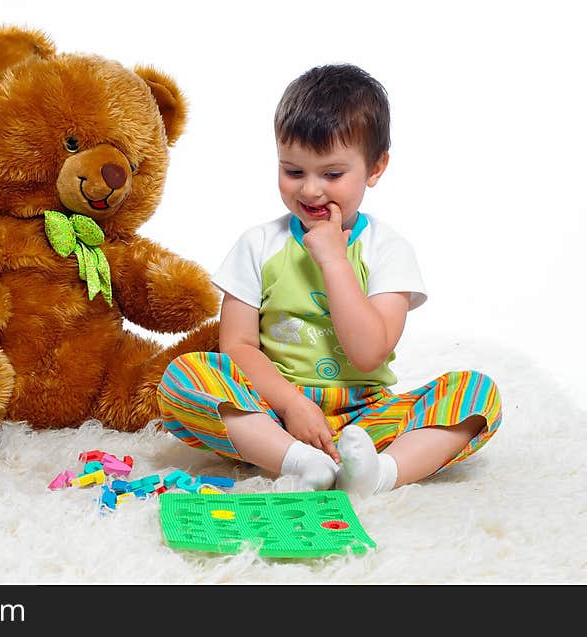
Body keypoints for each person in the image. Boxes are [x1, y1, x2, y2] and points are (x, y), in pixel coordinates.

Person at [157, 64, 502, 496]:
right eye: (294, 171)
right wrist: (292, 404)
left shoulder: (387, 249)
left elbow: (368, 353)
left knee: (477, 396)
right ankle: (300, 463)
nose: (311, 191)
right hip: (274, 414)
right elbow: (238, 347)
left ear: (375, 168)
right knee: (181, 379)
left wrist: (335, 262)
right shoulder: (258, 244)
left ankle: (378, 474)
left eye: (332, 174)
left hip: (368, 418)